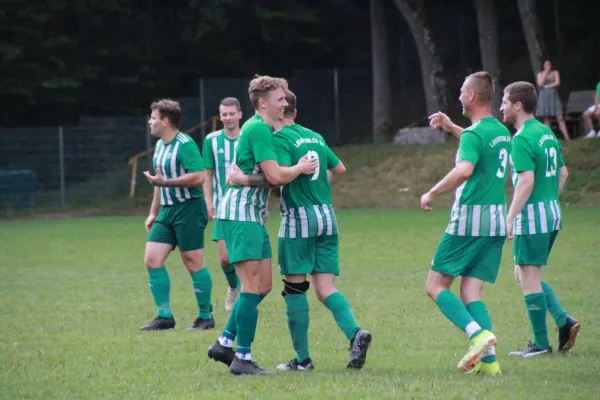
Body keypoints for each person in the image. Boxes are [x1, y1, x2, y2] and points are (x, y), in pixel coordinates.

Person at [228, 89, 372, 372]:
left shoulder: (278, 138)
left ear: (283, 110)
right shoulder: (315, 136)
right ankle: (355, 333)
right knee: (326, 287)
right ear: (298, 112)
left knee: (295, 289)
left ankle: (303, 360)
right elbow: (340, 169)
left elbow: (275, 176)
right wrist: (319, 187)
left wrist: (241, 178)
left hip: (299, 219)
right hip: (327, 216)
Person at [206, 76, 318, 376]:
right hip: (241, 215)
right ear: (263, 101)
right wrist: (300, 168)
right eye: (281, 98)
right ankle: (242, 358)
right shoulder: (257, 129)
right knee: (251, 287)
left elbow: (265, 176)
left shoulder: (264, 129)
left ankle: (224, 342)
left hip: (252, 215)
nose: (286, 102)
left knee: (263, 286)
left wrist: (247, 178)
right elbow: (276, 176)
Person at [423, 71, 511, 376]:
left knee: (435, 286)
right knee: (471, 292)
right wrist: (451, 127)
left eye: (462, 90)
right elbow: (479, 141)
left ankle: (477, 334)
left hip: (470, 220)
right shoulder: (500, 132)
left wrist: (432, 192)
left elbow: (464, 170)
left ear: (472, 96)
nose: (459, 95)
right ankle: (491, 364)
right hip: (496, 222)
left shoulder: (475, 135)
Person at [501, 81, 581, 357]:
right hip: (552, 214)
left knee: (529, 277)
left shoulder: (521, 138)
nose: (502, 107)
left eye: (505, 102)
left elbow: (525, 182)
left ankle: (540, 344)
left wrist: (510, 218)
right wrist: (550, 203)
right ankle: (563, 321)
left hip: (532, 218)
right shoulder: (547, 133)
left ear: (518, 105)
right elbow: (563, 174)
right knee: (522, 274)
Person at [141, 99, 214, 331]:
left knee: (193, 263)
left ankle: (205, 317)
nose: (150, 122)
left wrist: (166, 183)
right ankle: (164, 316)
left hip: (189, 209)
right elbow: (159, 183)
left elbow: (199, 177)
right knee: (152, 260)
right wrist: (153, 212)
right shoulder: (161, 146)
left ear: (165, 121)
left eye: (153, 118)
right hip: (167, 211)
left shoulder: (185, 144)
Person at [202, 97, 243, 311]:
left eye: (231, 113)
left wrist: (264, 206)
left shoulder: (250, 136)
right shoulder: (211, 140)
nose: (227, 118)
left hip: (246, 206)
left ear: (239, 114)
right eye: (224, 114)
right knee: (225, 258)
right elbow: (207, 174)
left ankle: (248, 294)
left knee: (245, 255)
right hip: (222, 206)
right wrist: (208, 201)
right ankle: (233, 286)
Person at [535, 60, 570, 141]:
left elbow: (557, 82)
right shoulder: (540, 74)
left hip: (553, 96)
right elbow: (540, 84)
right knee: (546, 118)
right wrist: (546, 73)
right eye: (546, 64)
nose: (548, 66)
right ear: (543, 66)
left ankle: (567, 138)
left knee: (560, 117)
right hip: (544, 97)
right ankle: (550, 139)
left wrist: (548, 86)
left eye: (549, 64)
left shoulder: (555, 72)